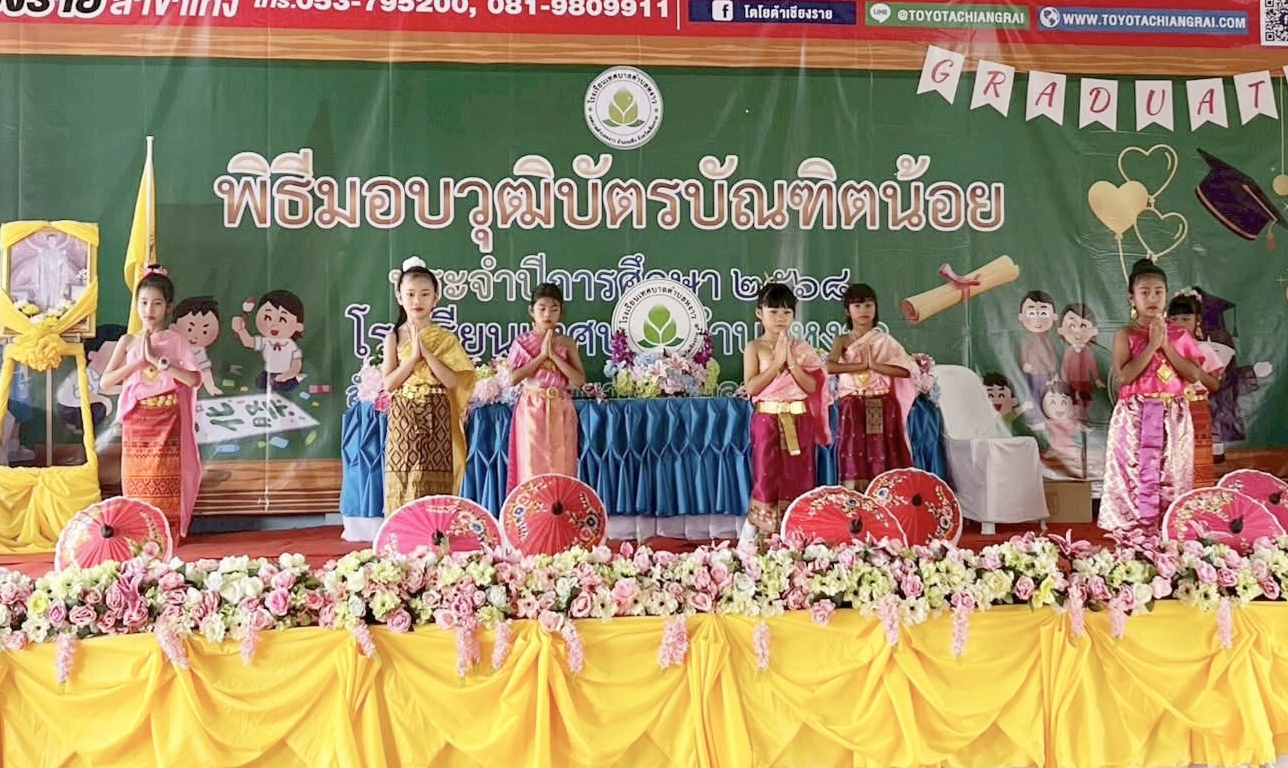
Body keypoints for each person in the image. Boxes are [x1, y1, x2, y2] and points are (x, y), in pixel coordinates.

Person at [1099, 259, 1205, 531]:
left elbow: (1193, 375)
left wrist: (1166, 345)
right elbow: (1124, 377)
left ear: (1166, 295)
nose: (1153, 298)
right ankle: (1130, 530)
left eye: (1159, 291)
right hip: (1135, 414)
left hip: (1173, 414)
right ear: (1132, 298)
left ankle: (1170, 526)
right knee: (1133, 472)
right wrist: (1152, 346)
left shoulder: (1179, 334)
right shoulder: (1125, 334)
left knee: (1172, 472)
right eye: (1145, 292)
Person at [99, 265, 202, 541]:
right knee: (136, 479)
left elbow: (193, 380)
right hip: (137, 423)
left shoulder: (176, 341)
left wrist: (161, 362)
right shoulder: (127, 340)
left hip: (168, 420)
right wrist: (139, 363)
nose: (149, 309)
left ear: (169, 307)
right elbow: (106, 382)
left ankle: (166, 536)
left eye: (157, 303)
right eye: (143, 302)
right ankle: (139, 534)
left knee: (167, 478)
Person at [381, 256, 476, 512]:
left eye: (425, 294)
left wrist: (427, 353)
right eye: (410, 294)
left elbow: (452, 381)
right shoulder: (393, 337)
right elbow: (389, 384)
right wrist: (413, 358)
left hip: (438, 413)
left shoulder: (445, 338)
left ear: (436, 298)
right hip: (404, 415)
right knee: (404, 477)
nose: (417, 301)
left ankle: (436, 531)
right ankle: (403, 532)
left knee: (436, 479)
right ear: (399, 298)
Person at [740, 282, 829, 546]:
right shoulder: (755, 347)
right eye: (774, 311)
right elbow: (752, 387)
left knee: (799, 475)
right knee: (766, 476)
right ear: (759, 313)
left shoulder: (801, 348)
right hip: (767, 420)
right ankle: (755, 537)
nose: (780, 318)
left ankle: (797, 533)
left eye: (787, 312)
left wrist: (791, 362)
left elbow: (812, 387)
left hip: (799, 420)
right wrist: (777, 363)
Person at [824, 283, 914, 490]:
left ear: (875, 308)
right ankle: (857, 499)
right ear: (848, 311)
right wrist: (861, 366)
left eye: (868, 305)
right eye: (857, 306)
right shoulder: (843, 340)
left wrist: (876, 366)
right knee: (854, 452)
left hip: (883, 404)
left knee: (886, 452)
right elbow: (829, 366)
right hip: (852, 406)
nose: (863, 311)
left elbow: (904, 371)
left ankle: (886, 496)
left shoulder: (884, 340)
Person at [506, 283, 586, 491]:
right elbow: (513, 378)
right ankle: (533, 509)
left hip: (561, 406)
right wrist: (542, 356)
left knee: (563, 463)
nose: (547, 314)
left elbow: (580, 380)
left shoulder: (567, 343)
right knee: (532, 464)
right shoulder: (522, 342)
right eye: (542, 308)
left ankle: (561, 508)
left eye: (554, 309)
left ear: (561, 312)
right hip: (532, 407)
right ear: (531, 311)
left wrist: (554, 356)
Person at [1167, 292, 1225, 489]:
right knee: (1170, 459)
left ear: (1197, 320)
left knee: (1198, 459)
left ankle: (1198, 501)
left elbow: (1214, 385)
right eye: (1174, 319)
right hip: (1170, 409)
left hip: (1197, 410)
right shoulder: (1164, 349)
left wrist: (1196, 371)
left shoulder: (1204, 349)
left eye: (1185, 319)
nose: (1179, 324)